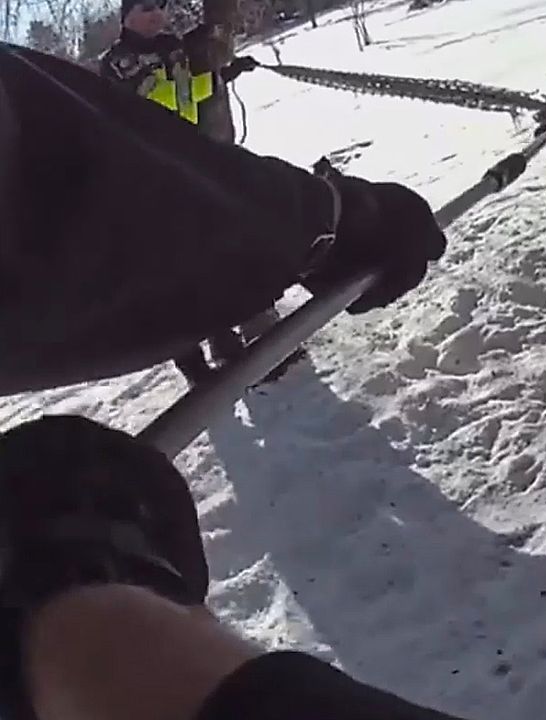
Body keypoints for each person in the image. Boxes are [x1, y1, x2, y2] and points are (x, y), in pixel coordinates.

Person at [2, 41, 471, 720]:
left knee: (195, 294)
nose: (156, 13)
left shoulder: (182, 49)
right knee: (185, 299)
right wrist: (326, 222)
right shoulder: (122, 62)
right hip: (181, 195)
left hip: (192, 179)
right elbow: (56, 178)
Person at [99, 0, 292, 387]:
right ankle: (203, 357)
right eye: (146, 8)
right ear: (127, 17)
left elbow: (189, 92)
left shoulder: (173, 47)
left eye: (160, 6)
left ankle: (250, 334)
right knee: (180, 265)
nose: (156, 14)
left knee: (225, 243)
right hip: (152, 173)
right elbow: (148, 104)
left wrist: (226, 73)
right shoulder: (119, 61)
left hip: (192, 158)